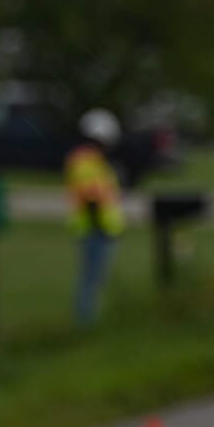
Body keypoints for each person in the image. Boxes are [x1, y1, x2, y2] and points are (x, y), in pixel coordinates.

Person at [65, 109, 127, 326]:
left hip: (99, 229)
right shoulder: (86, 162)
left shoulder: (92, 161)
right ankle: (84, 323)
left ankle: (86, 320)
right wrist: (101, 224)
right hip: (95, 230)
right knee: (90, 280)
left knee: (94, 279)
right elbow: (91, 199)